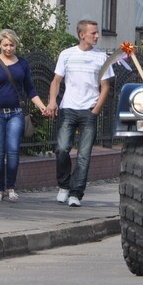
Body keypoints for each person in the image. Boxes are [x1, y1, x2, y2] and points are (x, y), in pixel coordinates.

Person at [44, 19, 114, 207]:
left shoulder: (102, 57)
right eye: (93, 33)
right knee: (62, 149)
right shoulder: (66, 54)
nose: (97, 36)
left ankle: (76, 193)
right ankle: (64, 186)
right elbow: (56, 81)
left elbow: (105, 86)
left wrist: (96, 109)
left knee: (84, 155)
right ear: (82, 34)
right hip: (68, 109)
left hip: (89, 110)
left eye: (97, 32)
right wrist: (52, 101)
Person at [0, 29, 47, 202]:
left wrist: (42, 106)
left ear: (16, 45)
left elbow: (30, 89)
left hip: (16, 113)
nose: (8, 48)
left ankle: (11, 188)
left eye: (11, 45)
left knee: (12, 151)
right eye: (5, 45)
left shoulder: (22, 64)